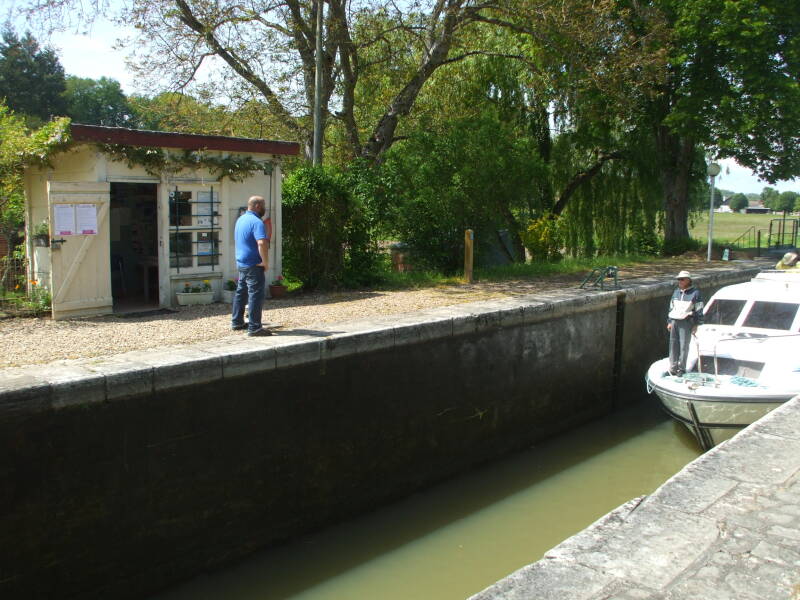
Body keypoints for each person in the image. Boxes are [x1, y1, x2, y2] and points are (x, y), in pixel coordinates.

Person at [232, 195, 272, 336]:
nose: (264, 209)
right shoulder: (257, 222)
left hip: (241, 262)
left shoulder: (240, 220)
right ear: (257, 206)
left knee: (241, 292)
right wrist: (265, 262)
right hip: (254, 263)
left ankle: (237, 322)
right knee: (255, 294)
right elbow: (262, 243)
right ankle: (255, 327)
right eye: (263, 205)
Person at [667, 270, 703, 376]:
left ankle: (681, 368)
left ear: (688, 280)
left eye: (682, 279)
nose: (680, 281)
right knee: (673, 345)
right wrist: (669, 321)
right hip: (674, 321)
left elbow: (699, 309)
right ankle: (673, 367)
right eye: (679, 279)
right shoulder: (676, 292)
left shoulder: (695, 293)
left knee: (684, 346)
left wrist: (696, 324)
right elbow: (671, 307)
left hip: (686, 322)